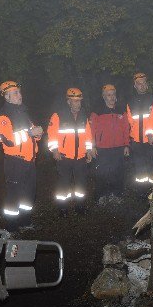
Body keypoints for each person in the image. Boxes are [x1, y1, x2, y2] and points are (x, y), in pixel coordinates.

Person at [0, 81, 43, 233]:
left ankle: (25, 221)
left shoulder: (24, 112)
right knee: (14, 195)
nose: (19, 95)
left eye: (19, 92)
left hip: (30, 161)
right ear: (7, 96)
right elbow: (8, 140)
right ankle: (11, 227)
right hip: (15, 162)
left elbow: (32, 135)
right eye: (15, 93)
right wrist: (30, 133)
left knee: (29, 193)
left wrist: (38, 134)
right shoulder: (3, 116)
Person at [47, 88, 95, 216]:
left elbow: (88, 134)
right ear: (68, 102)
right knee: (64, 184)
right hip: (64, 157)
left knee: (81, 183)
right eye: (75, 101)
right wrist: (55, 150)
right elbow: (51, 135)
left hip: (80, 157)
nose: (78, 104)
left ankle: (80, 206)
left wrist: (89, 150)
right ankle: (63, 208)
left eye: (79, 101)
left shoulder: (83, 115)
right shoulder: (58, 115)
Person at [89, 84, 131, 203]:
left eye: (113, 94)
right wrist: (92, 146)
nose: (111, 97)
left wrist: (126, 145)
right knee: (102, 173)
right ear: (104, 97)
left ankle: (116, 195)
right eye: (108, 95)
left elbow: (126, 129)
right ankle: (101, 196)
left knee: (118, 172)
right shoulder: (97, 112)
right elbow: (91, 131)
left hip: (118, 147)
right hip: (102, 148)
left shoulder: (121, 110)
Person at [125, 72, 153, 194]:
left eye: (144, 83)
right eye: (139, 84)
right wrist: (129, 140)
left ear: (147, 84)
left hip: (151, 141)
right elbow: (129, 122)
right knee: (139, 169)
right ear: (135, 86)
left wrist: (150, 135)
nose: (142, 86)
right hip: (136, 142)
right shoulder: (130, 102)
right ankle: (141, 194)